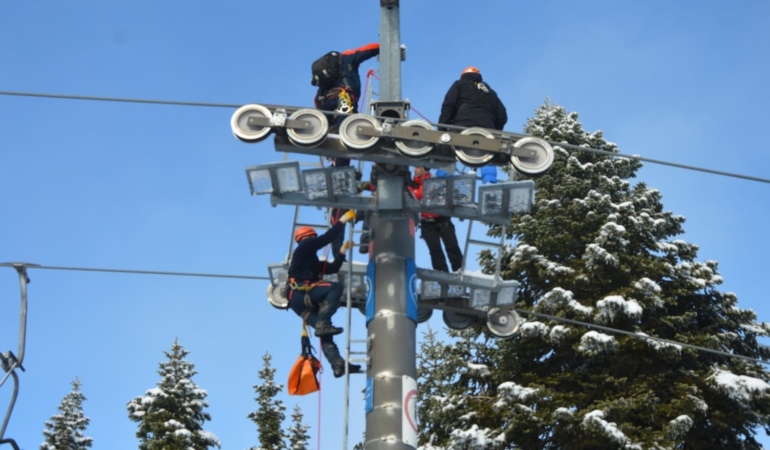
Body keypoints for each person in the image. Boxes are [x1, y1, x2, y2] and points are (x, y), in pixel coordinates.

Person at [287, 210, 361, 378]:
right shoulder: (305, 247)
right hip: (300, 292)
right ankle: (324, 324)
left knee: (324, 332)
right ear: (310, 237)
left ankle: (337, 365)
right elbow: (328, 237)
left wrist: (342, 252)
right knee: (335, 287)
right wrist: (342, 220)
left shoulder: (309, 260)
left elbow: (332, 268)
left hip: (298, 302)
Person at [439, 66, 508, 182]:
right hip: (487, 128)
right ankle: (489, 182)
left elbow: (448, 106)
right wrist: (495, 132)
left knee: (447, 150)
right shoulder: (490, 92)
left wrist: (442, 129)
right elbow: (502, 116)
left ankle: (443, 180)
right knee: (488, 152)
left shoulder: (459, 85)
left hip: (462, 125)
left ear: (463, 75)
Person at [407, 167, 464, 273]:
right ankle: (442, 276)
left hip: (442, 219)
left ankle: (459, 271)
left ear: (424, 168)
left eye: (418, 167)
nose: (415, 170)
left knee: (452, 246)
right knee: (435, 250)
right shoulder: (411, 185)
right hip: (427, 223)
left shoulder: (434, 178)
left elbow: (448, 185)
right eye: (414, 167)